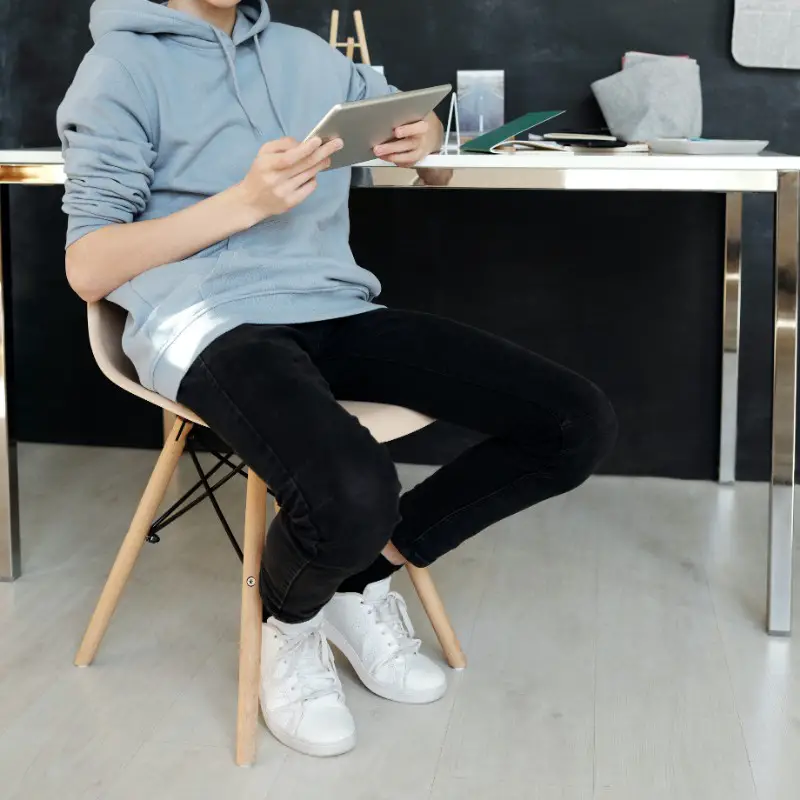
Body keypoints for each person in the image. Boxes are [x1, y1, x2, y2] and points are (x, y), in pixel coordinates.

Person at [58, 0, 617, 759]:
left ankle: (357, 580)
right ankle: (289, 624)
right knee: (351, 489)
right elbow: (88, 266)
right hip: (206, 323)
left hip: (332, 304)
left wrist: (427, 145)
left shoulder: (312, 56)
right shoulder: (120, 67)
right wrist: (241, 205)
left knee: (573, 421)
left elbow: (438, 169)